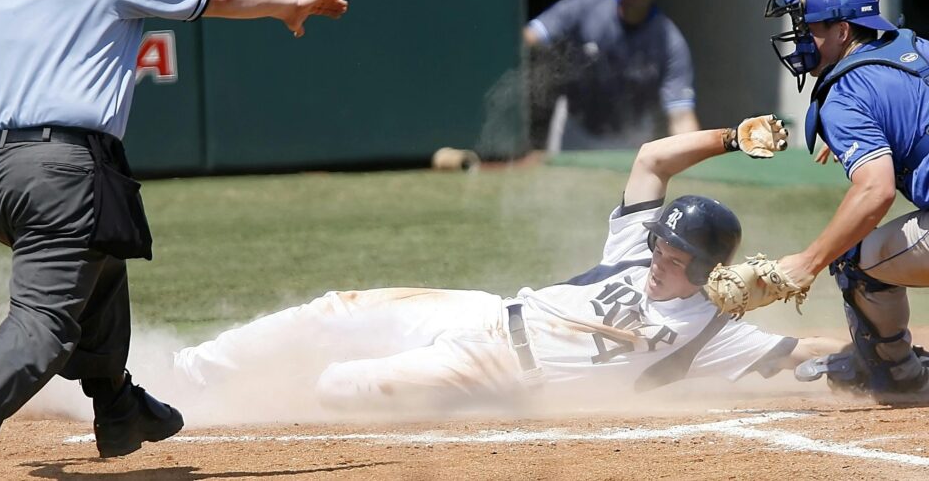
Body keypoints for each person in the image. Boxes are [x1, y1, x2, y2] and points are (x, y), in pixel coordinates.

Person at [0, 0, 348, 480]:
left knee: (102, 256)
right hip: (61, 168)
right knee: (43, 326)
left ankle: (118, 406)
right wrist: (287, 5)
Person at [163, 116, 842, 418]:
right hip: (484, 311)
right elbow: (651, 160)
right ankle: (184, 376)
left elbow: (805, 350)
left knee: (341, 386)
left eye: (675, 259)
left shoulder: (713, 332)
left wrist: (893, 353)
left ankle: (250, 400)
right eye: (659, 247)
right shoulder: (637, 251)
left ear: (707, 269)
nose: (658, 262)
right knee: (332, 311)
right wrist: (731, 137)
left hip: (497, 372)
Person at [763, 0, 929, 404]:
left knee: (852, 256)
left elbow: (876, 192)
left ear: (842, 31)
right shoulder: (919, 50)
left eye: (809, 30)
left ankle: (896, 373)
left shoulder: (845, 94)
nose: (800, 40)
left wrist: (809, 261)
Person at [523, 0, 700, 152]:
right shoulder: (582, 9)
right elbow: (529, 37)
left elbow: (680, 115)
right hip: (576, 128)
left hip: (632, 137)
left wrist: (695, 159)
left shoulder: (669, 41)